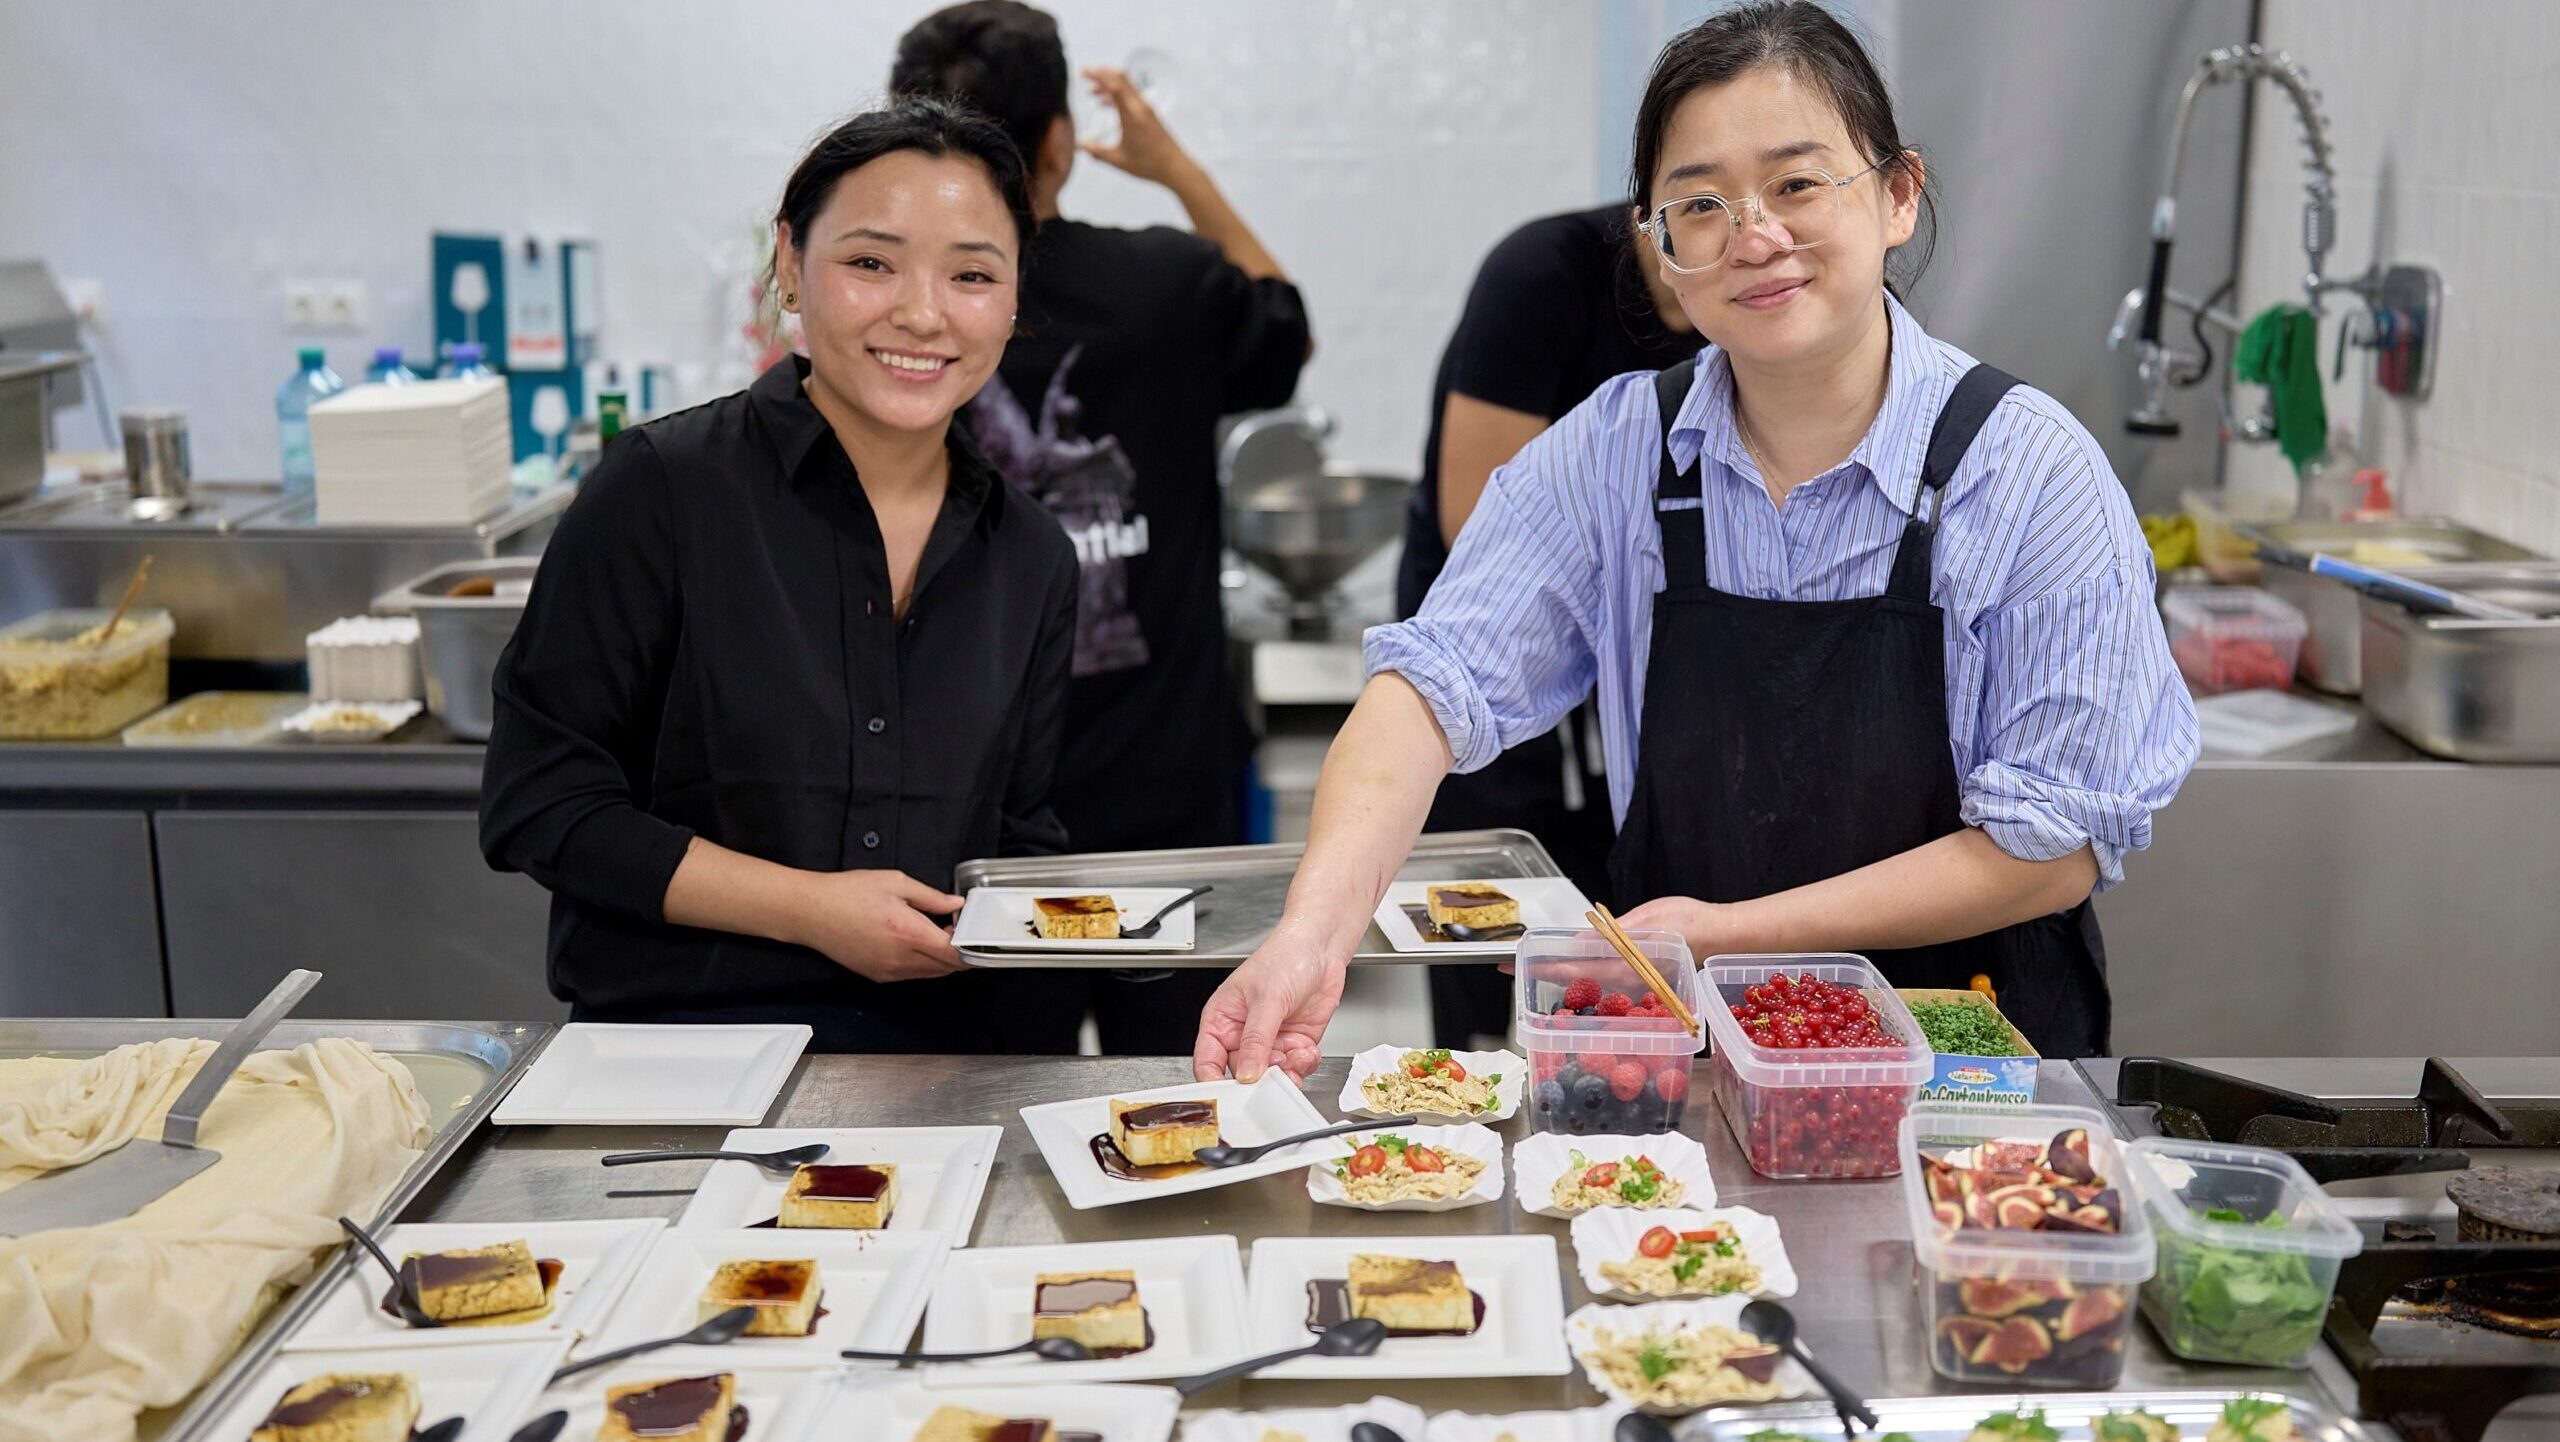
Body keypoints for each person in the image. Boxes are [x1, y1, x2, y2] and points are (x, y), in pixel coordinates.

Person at [1193, 0, 2199, 1082]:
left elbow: (2053, 849)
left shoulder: (2033, 472)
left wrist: (1730, 934)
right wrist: (1312, 931)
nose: (1754, 237)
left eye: (1798, 183)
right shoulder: (1618, 451)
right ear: (1661, 246)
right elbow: (1426, 693)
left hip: (1972, 1078)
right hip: (1688, 1067)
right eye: (1701, 204)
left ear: (1898, 194)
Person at [480, 99, 1081, 1052]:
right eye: (871, 263)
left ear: (1011, 303)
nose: (922, 313)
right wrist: (811, 909)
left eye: (971, 275)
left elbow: (1020, 843)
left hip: (943, 1073)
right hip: (673, 1065)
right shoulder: (662, 490)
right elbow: (542, 803)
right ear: (792, 265)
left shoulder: (1033, 555)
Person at [892, 2, 1311, 1054]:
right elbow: (1284, 325)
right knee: (1183, 1095)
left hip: (971, 824)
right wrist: (1178, 171)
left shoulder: (898, 325)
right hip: (1160, 811)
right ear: (1058, 143)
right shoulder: (1165, 283)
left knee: (987, 1112)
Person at [1397, 204, 1706, 1049]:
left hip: (1654, 665)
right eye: (1697, 202)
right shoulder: (1543, 277)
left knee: (1623, 938)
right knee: (1481, 930)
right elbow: (1476, 528)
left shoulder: (1753, 313)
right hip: (1510, 648)